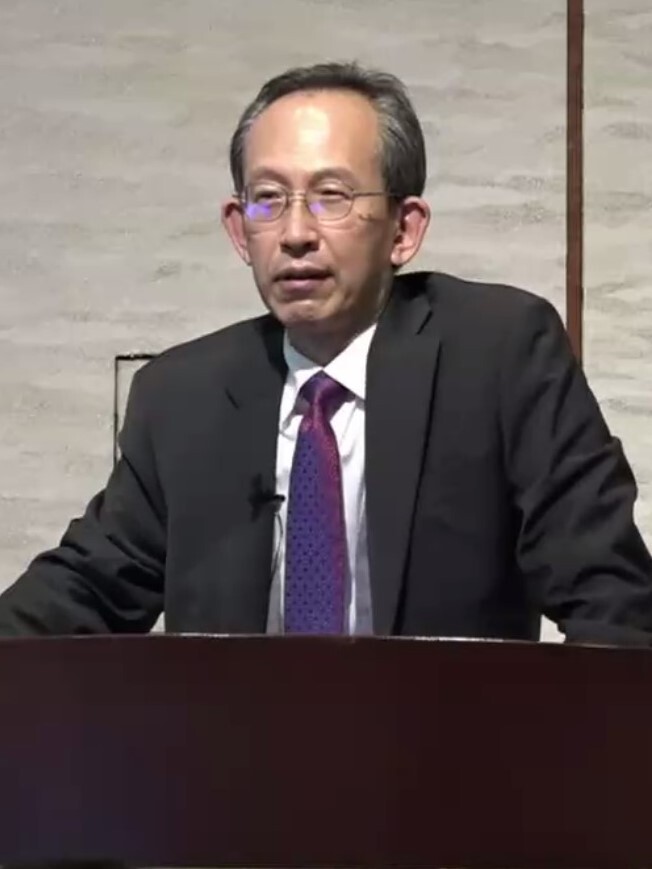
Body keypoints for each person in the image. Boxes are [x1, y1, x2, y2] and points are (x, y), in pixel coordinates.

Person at [0, 61, 651, 643]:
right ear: (239, 230)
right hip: (235, 741)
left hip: (446, 738)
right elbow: (85, 590)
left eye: (331, 197)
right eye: (268, 199)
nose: (295, 233)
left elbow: (613, 599)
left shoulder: (499, 354)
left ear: (404, 229)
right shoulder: (181, 397)